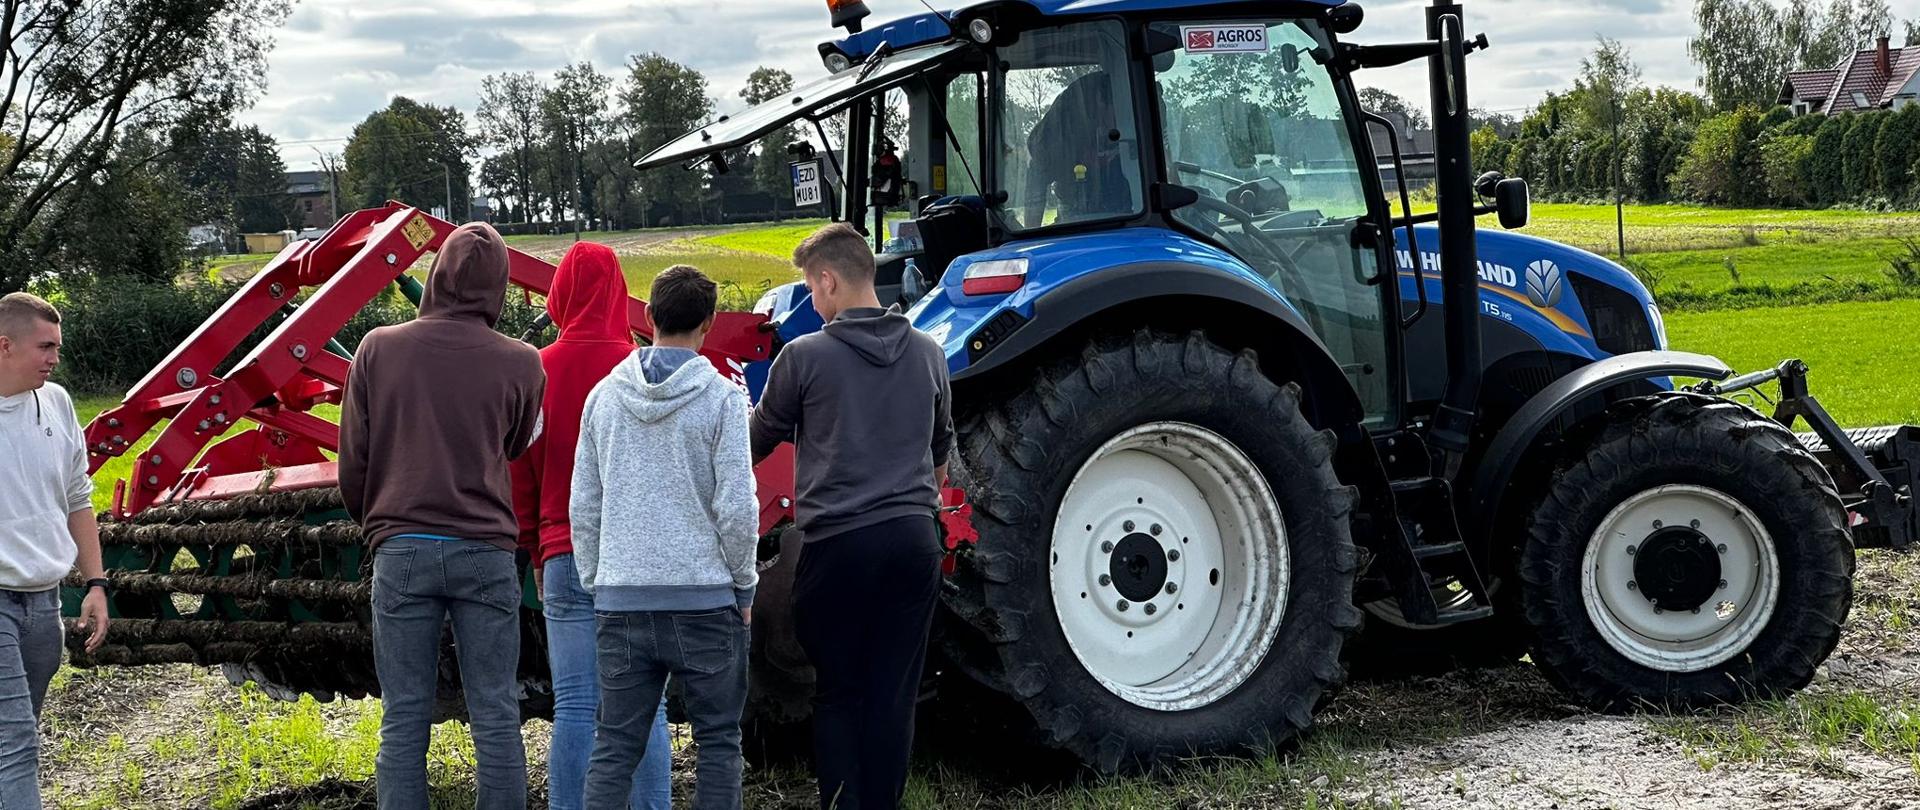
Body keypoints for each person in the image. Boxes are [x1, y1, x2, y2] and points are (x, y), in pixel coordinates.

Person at [338, 223, 545, 810]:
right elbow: (513, 447)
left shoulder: (377, 347)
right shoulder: (523, 362)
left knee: (404, 715)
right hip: (485, 550)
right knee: (496, 712)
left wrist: (377, 525)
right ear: (498, 286)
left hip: (401, 546)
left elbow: (354, 458)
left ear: (437, 275)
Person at [749, 223, 953, 810]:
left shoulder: (804, 357)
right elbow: (940, 455)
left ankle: (840, 802)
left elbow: (754, 443)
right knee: (893, 693)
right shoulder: (930, 353)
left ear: (828, 280)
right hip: (914, 542)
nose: (813, 302)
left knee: (838, 693)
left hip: (836, 547)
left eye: (812, 289)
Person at [574, 265, 758, 810]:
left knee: (613, 747)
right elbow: (736, 507)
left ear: (648, 318)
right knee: (719, 741)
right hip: (705, 602)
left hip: (621, 599)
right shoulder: (723, 400)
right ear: (710, 324)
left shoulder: (602, 399)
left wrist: (596, 581)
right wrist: (743, 585)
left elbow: (585, 505)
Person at [509, 242, 672, 810]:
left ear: (560, 296)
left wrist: (534, 548)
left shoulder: (536, 369)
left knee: (575, 703)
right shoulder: (646, 369)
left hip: (563, 553)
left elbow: (521, 471)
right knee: (646, 704)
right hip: (640, 559)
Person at [0, 292, 110, 810]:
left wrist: (95, 583)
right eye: (46, 347)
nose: (54, 358)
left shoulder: (58, 403)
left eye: (57, 348)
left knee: (16, 738)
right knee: (16, 744)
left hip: (44, 605)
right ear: (5, 345)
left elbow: (77, 498)